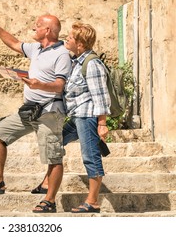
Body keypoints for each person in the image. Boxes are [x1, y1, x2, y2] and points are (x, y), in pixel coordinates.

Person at [0, 14, 72, 213]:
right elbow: (14, 43)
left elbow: (60, 86)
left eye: (38, 26)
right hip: (29, 109)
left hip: (49, 111)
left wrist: (39, 84)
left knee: (53, 157)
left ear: (48, 31)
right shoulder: (36, 49)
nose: (33, 28)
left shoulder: (61, 54)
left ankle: (50, 200)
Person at [31, 22, 110, 213]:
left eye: (71, 37)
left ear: (81, 43)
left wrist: (102, 123)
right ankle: (47, 181)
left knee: (90, 156)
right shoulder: (77, 62)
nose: (67, 39)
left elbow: (100, 95)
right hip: (76, 116)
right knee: (56, 143)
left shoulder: (92, 64)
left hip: (87, 116)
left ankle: (93, 201)